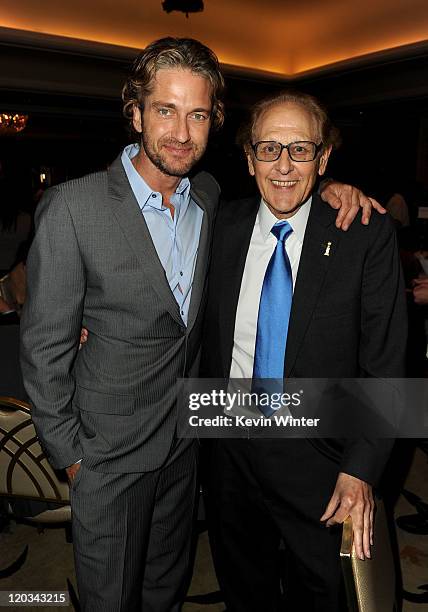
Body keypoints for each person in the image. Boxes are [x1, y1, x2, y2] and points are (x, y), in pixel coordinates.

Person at [21, 38, 381, 612]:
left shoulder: (211, 202)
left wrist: (329, 191)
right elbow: (43, 348)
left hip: (191, 451)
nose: (181, 133)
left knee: (168, 589)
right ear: (135, 112)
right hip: (106, 461)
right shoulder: (72, 209)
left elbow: (285, 194)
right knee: (109, 599)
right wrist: (73, 457)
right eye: (165, 110)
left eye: (197, 115)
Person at [201, 90, 407, 611]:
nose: (285, 166)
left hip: (323, 458)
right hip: (228, 446)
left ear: (324, 158)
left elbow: (385, 365)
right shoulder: (217, 226)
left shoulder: (365, 233)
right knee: (244, 588)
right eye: (270, 149)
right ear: (249, 160)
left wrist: (361, 470)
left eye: (301, 149)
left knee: (324, 594)